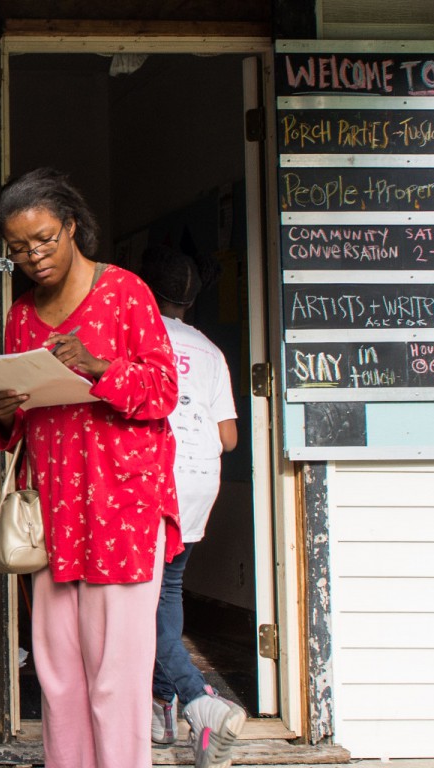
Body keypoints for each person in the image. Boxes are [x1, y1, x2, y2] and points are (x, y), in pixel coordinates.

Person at [0, 168, 181, 768]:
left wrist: (98, 367)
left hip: (121, 509)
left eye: (43, 239)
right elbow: (23, 425)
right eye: (18, 249)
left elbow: (164, 390)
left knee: (116, 680)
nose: (33, 256)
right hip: (51, 513)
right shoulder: (20, 315)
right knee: (60, 679)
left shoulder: (125, 292)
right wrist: (4, 412)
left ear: (72, 227)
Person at [137, 246, 246, 767]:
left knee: (138, 598)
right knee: (169, 588)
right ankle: (164, 706)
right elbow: (229, 438)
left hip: (153, 477)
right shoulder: (209, 350)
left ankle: (196, 699)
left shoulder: (139, 336)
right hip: (200, 479)